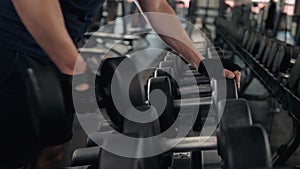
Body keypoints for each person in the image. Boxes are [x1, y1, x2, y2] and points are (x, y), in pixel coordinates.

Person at [0, 0, 241, 168]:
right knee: (12, 156)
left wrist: (201, 62)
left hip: (63, 51)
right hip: (14, 48)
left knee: (51, 149)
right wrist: (74, 67)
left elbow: (156, 6)